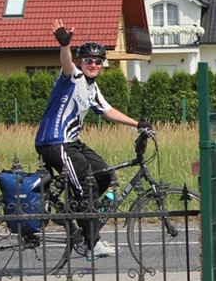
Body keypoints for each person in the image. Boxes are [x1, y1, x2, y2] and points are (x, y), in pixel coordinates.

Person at [35, 20, 150, 260]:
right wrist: (64, 45)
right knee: (85, 187)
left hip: (72, 142)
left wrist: (137, 124)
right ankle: (92, 242)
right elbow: (65, 65)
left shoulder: (92, 87)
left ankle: (79, 212)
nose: (94, 64)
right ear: (81, 63)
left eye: (98, 61)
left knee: (104, 174)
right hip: (56, 142)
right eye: (88, 60)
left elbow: (108, 111)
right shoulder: (73, 77)